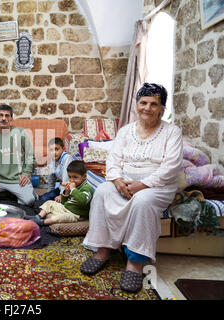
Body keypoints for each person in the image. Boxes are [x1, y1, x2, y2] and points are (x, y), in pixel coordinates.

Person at [80, 83, 183, 293]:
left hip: (157, 185)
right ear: (136, 104)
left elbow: (171, 167)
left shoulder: (172, 132)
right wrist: (117, 180)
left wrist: (143, 184)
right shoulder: (126, 131)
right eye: (143, 102)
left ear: (162, 108)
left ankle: (135, 263)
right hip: (125, 181)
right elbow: (113, 160)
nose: (147, 108)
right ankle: (103, 250)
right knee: (101, 192)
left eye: (154, 104)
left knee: (142, 202)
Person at [29, 160, 93, 226]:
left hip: (76, 214)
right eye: (70, 177)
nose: (71, 180)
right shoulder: (75, 186)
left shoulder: (86, 188)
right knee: (49, 203)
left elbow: (83, 200)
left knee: (60, 218)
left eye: (75, 177)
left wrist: (73, 189)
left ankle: (42, 222)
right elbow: (64, 202)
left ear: (84, 177)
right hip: (66, 208)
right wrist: (66, 193)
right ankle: (38, 217)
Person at [39, 137, 73, 202]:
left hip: (70, 188)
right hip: (61, 187)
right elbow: (51, 178)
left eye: (56, 149)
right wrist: (50, 192)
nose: (54, 152)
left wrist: (61, 195)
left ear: (63, 149)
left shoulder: (67, 158)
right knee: (44, 198)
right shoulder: (52, 159)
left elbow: (65, 178)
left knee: (53, 200)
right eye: (51, 150)